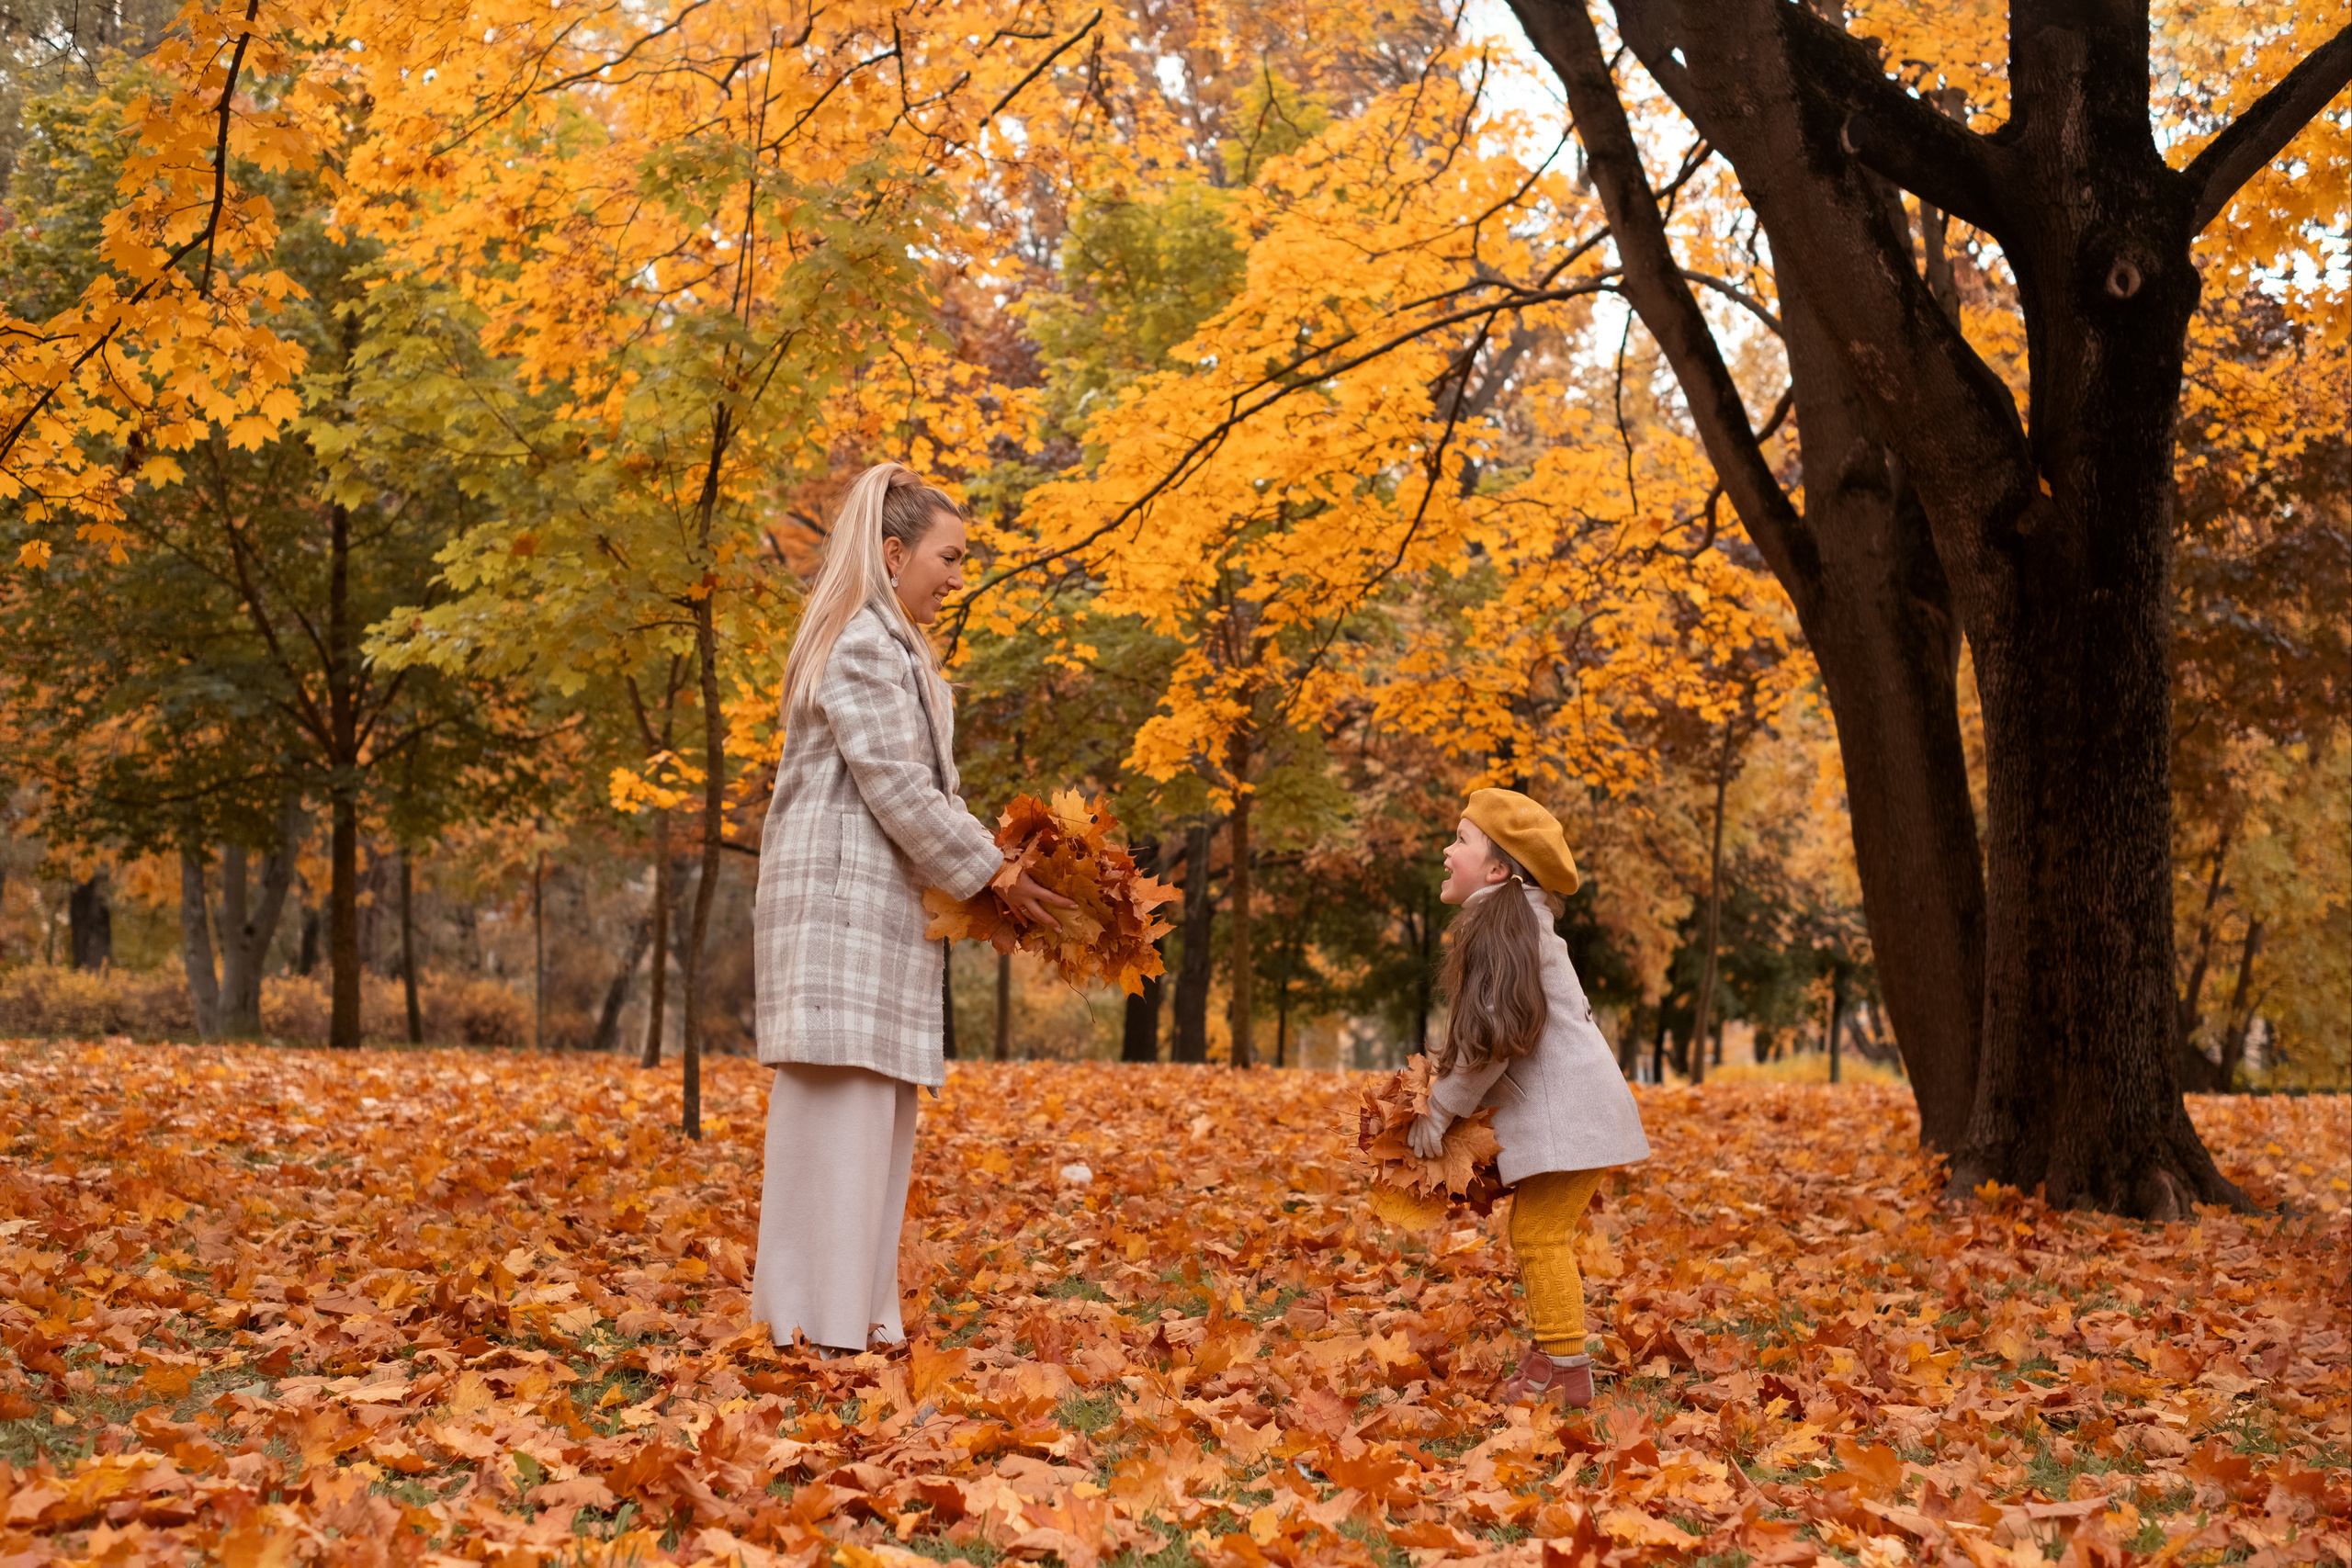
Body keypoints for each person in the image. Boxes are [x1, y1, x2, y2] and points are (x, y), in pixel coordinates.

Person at [749, 462, 1069, 1354]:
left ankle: (848, 1312)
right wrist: (991, 874)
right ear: (893, 555)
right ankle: (819, 1319)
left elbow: (919, 794)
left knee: (872, 1128)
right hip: (839, 924)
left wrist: (990, 875)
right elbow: (896, 786)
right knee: (842, 1123)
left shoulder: (894, 654)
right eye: (949, 557)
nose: (958, 577)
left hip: (875, 925)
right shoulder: (861, 646)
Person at [1407, 788, 1651, 1408]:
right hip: (1578, 1114)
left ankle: (1568, 1371)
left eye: (1461, 839)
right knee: (1534, 1231)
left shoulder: (1504, 930)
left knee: (1541, 1236)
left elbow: (1493, 1040)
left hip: (1579, 1117)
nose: (1446, 848)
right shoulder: (1509, 923)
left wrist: (1440, 1109)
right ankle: (1551, 1354)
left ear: (1496, 870)